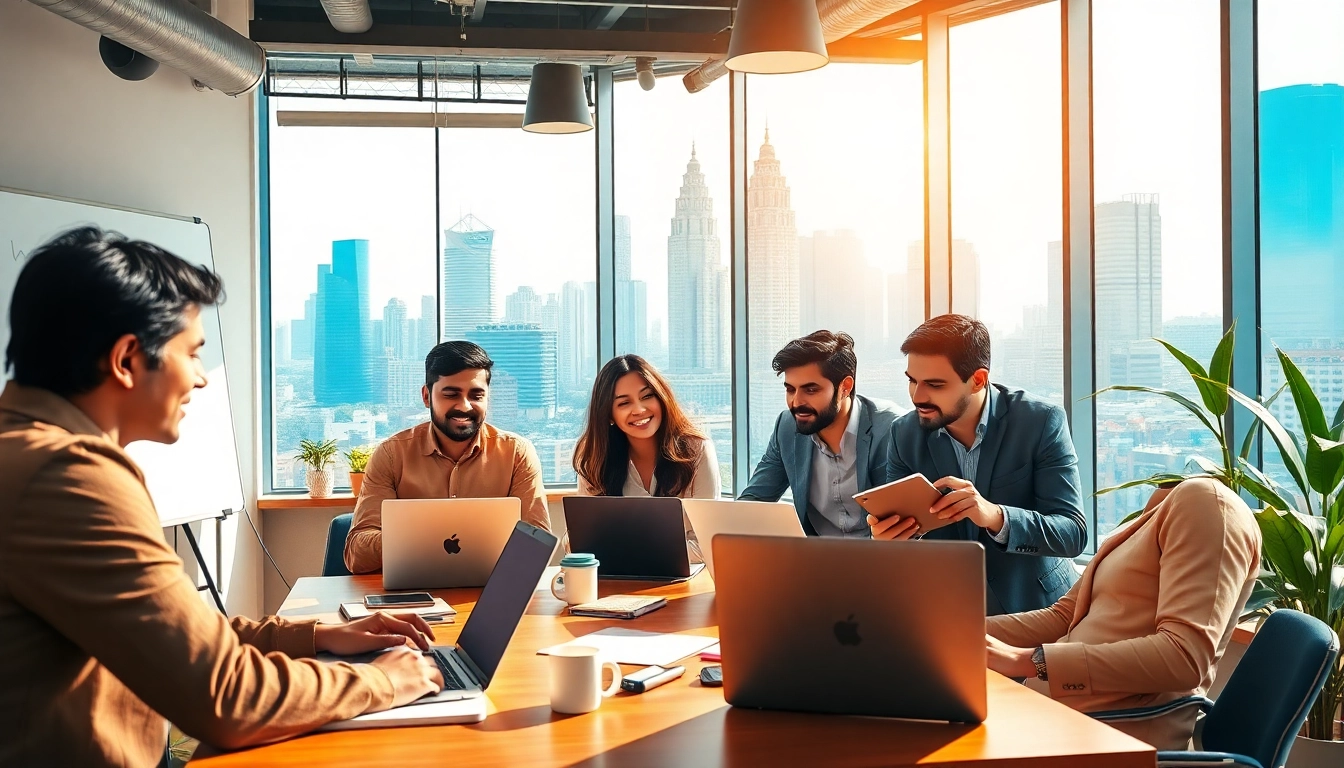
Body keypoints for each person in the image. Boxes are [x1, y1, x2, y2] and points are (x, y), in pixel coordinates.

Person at [0, 228, 443, 768]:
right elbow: (223, 695)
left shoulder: (26, 452)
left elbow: (176, 631)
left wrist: (319, 637)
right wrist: (379, 680)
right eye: (192, 354)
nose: (201, 380)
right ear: (126, 360)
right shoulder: (68, 476)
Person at [984, 478, 1262, 750]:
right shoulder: (1158, 511)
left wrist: (1031, 661)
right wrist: (958, 631)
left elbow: (1183, 658)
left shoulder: (1208, 504)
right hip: (1057, 722)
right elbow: (1064, 616)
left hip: (1112, 737)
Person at [872, 314, 1086, 615]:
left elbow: (1072, 533)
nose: (917, 397)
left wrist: (996, 516)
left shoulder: (1040, 421)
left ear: (978, 380)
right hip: (947, 611)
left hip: (1034, 612)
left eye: (934, 384)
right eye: (912, 381)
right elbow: (905, 537)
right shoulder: (904, 433)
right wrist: (889, 538)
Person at [344, 340, 550, 574]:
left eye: (476, 395)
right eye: (451, 394)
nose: (464, 406)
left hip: (491, 592)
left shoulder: (517, 453)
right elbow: (357, 554)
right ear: (426, 396)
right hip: (411, 597)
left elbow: (538, 544)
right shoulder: (391, 455)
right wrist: (426, 539)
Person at [740, 331, 902, 536]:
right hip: (813, 560)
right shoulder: (787, 427)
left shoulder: (891, 430)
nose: (796, 402)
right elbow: (753, 502)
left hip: (879, 559)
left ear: (845, 387)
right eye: (790, 390)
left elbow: (900, 524)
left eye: (810, 390)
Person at [573, 354, 720, 558]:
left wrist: (624, 548)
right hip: (617, 581)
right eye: (624, 403)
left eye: (647, 396)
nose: (639, 410)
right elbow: (582, 542)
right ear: (608, 415)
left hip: (686, 582)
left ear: (661, 398)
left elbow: (707, 543)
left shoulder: (697, 450)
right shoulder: (594, 459)